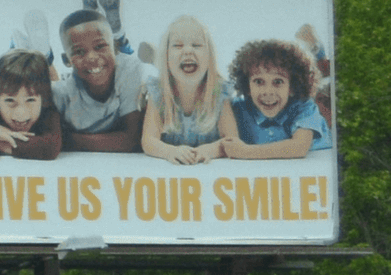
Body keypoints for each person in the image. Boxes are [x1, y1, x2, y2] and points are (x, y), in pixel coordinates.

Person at [140, 16, 237, 165]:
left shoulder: (219, 92)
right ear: (166, 56)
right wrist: (170, 152)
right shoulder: (158, 92)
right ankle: (156, 59)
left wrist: (208, 150)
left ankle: (156, 58)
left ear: (209, 57)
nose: (188, 51)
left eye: (197, 45)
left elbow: (232, 140)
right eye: (178, 45)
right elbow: (148, 141)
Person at [52, 9, 146, 152]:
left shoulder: (129, 69)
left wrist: (69, 140)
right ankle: (45, 58)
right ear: (67, 60)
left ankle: (119, 35)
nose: (92, 58)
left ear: (115, 48)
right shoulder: (62, 94)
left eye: (100, 46)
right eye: (79, 52)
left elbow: (133, 139)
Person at [221, 38, 332, 159]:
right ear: (247, 87)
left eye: (278, 82)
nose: (268, 92)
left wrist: (246, 152)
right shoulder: (238, 108)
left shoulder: (304, 107)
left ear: (292, 87)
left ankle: (317, 49)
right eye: (259, 81)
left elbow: (299, 147)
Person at [0, 49, 62, 161]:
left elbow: (49, 149)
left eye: (30, 100)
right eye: (10, 100)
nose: (21, 113)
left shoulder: (48, 110)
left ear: (43, 99)